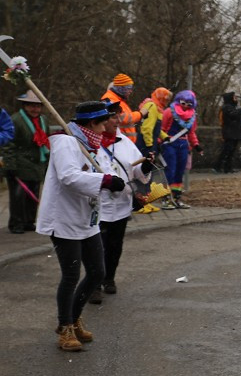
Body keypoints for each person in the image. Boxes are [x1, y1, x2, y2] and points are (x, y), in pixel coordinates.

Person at [37, 101, 127, 351]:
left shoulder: (92, 146)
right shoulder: (66, 142)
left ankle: (74, 318)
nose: (106, 126)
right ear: (91, 124)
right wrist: (105, 180)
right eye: (103, 122)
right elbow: (69, 177)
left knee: (98, 272)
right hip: (64, 219)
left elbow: (102, 183)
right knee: (71, 275)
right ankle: (64, 327)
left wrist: (124, 194)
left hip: (87, 220)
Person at [91, 100, 152, 304]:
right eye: (113, 116)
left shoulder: (125, 142)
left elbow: (136, 171)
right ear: (101, 120)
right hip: (98, 205)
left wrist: (147, 166)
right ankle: (94, 285)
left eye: (118, 115)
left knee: (115, 245)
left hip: (122, 204)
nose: (118, 120)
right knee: (97, 246)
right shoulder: (90, 143)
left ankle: (110, 277)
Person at [3, 93, 52, 233]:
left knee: (34, 194)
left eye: (38, 106)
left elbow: (47, 141)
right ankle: (16, 224)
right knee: (18, 197)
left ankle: (29, 222)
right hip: (19, 163)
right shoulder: (15, 120)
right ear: (25, 106)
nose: (35, 109)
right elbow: (8, 145)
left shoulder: (44, 120)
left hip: (37, 163)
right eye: (31, 106)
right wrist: (10, 166)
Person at [160, 90, 201, 208]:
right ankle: (166, 198)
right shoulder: (169, 112)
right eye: (183, 103)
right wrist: (160, 142)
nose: (185, 106)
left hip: (183, 144)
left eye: (189, 104)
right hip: (170, 143)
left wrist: (196, 145)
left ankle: (176, 197)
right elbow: (161, 129)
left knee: (179, 172)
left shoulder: (192, 116)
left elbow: (191, 132)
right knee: (170, 170)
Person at [101, 73, 142, 143]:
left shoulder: (119, 99)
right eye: (128, 89)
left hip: (125, 142)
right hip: (118, 142)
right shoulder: (110, 99)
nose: (130, 91)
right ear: (121, 88)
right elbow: (123, 118)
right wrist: (141, 114)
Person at [214, 91, 241, 173]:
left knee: (231, 152)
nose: (236, 98)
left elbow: (238, 119)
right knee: (226, 151)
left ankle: (228, 168)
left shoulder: (232, 107)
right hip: (229, 133)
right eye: (234, 97)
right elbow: (234, 115)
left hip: (234, 133)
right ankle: (217, 167)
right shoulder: (226, 107)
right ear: (230, 98)